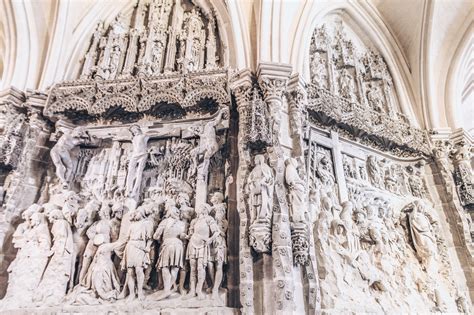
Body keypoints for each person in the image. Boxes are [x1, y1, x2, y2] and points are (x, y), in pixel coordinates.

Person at [125, 125, 149, 198]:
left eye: (135, 130)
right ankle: (128, 189)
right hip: (134, 155)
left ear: (138, 129)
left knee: (139, 172)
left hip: (143, 154)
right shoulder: (133, 138)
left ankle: (135, 190)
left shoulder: (144, 136)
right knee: (130, 171)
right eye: (133, 131)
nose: (134, 132)